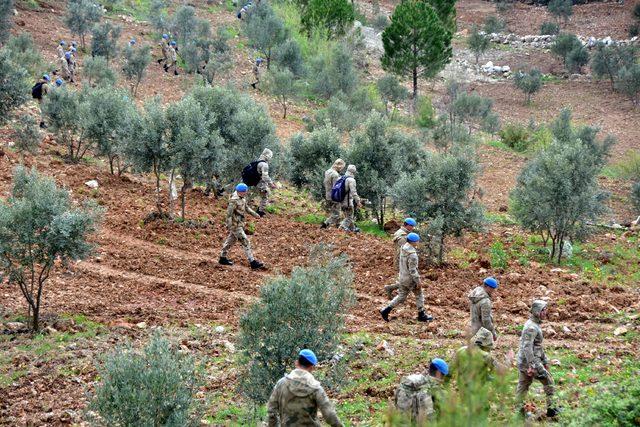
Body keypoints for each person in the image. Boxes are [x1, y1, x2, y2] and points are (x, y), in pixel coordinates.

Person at [267, 349, 343, 427]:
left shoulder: (281, 384)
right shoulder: (315, 388)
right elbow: (329, 414)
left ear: (296, 363)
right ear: (312, 367)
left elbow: (271, 412)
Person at [516, 300, 558, 418]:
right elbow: (527, 347)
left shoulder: (533, 324)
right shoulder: (532, 327)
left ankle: (519, 412)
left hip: (525, 361)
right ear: (536, 311)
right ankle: (551, 409)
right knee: (548, 381)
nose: (545, 312)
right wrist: (533, 365)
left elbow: (537, 346)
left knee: (523, 385)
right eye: (543, 310)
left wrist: (544, 360)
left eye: (545, 309)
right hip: (531, 362)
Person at [380, 233, 433, 322]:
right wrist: (418, 281)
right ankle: (421, 314)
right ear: (414, 242)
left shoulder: (403, 247)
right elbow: (413, 270)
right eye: (417, 241)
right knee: (419, 295)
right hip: (410, 279)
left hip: (402, 276)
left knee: (401, 296)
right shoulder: (412, 254)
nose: (418, 242)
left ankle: (386, 310)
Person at [219, 183, 264, 270]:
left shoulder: (242, 198)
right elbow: (228, 215)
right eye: (245, 191)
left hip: (239, 224)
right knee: (246, 242)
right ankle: (253, 262)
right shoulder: (234, 200)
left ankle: (222, 258)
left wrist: (256, 214)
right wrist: (229, 226)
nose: (246, 193)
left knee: (230, 241)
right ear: (240, 192)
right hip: (235, 225)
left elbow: (246, 208)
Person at [394, 358, 448, 423]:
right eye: (443, 375)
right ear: (438, 373)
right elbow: (429, 416)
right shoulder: (429, 389)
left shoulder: (416, 382)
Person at [383, 218, 417, 299]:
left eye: (413, 226)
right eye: (411, 226)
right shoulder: (402, 236)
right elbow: (405, 250)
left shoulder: (404, 233)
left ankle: (391, 289)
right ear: (406, 225)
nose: (413, 228)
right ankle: (396, 293)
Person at [468, 277, 498, 341]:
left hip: (474, 328)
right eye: (493, 289)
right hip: (482, 333)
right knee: (481, 350)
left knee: (473, 348)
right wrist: (493, 333)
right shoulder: (485, 301)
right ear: (488, 287)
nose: (493, 291)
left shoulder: (475, 295)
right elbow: (486, 320)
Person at [321, 158, 346, 229]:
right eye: (342, 167)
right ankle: (325, 224)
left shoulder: (327, 171)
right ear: (339, 166)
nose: (342, 169)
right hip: (334, 197)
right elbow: (337, 188)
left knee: (335, 212)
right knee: (336, 214)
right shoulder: (335, 175)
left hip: (328, 195)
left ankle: (338, 227)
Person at [338, 165, 361, 233]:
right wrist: (358, 201)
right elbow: (354, 193)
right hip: (348, 203)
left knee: (348, 217)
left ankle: (353, 230)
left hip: (341, 202)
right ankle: (341, 228)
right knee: (349, 217)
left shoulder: (341, 178)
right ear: (353, 173)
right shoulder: (351, 180)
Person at [256, 148, 276, 217]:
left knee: (264, 196)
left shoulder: (258, 161)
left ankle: (259, 210)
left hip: (256, 182)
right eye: (270, 156)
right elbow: (265, 177)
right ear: (267, 156)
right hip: (261, 184)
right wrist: (271, 184)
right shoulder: (264, 165)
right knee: (265, 196)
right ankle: (260, 212)